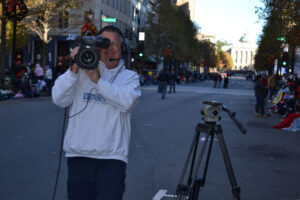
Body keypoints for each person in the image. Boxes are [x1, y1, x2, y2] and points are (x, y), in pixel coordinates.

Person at [52, 25, 141, 200]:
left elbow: (127, 102)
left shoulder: (129, 77)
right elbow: (58, 99)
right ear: (97, 48)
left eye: (115, 44)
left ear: (122, 48)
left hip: (112, 158)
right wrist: (75, 67)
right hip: (79, 155)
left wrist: (99, 82)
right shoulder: (80, 73)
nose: (110, 49)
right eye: (105, 44)